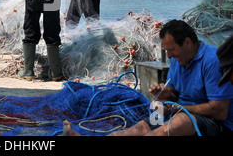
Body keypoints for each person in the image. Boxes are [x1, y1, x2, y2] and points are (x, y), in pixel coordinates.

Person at [63, 20, 233, 136]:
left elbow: (219, 110)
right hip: (182, 111)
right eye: (166, 51)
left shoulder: (212, 61)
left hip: (216, 124)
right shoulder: (178, 59)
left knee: (178, 122)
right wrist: (165, 94)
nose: (170, 56)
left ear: (188, 42)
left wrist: (176, 109)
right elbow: (174, 92)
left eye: (172, 50)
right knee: (143, 124)